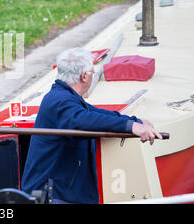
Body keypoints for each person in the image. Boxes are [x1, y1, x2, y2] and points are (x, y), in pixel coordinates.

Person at [21, 48, 162, 204]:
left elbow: (97, 114)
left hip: (61, 192)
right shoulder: (59, 101)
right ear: (84, 76)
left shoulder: (65, 98)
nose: (93, 75)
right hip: (52, 195)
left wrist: (135, 121)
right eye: (92, 72)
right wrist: (132, 127)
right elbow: (83, 119)